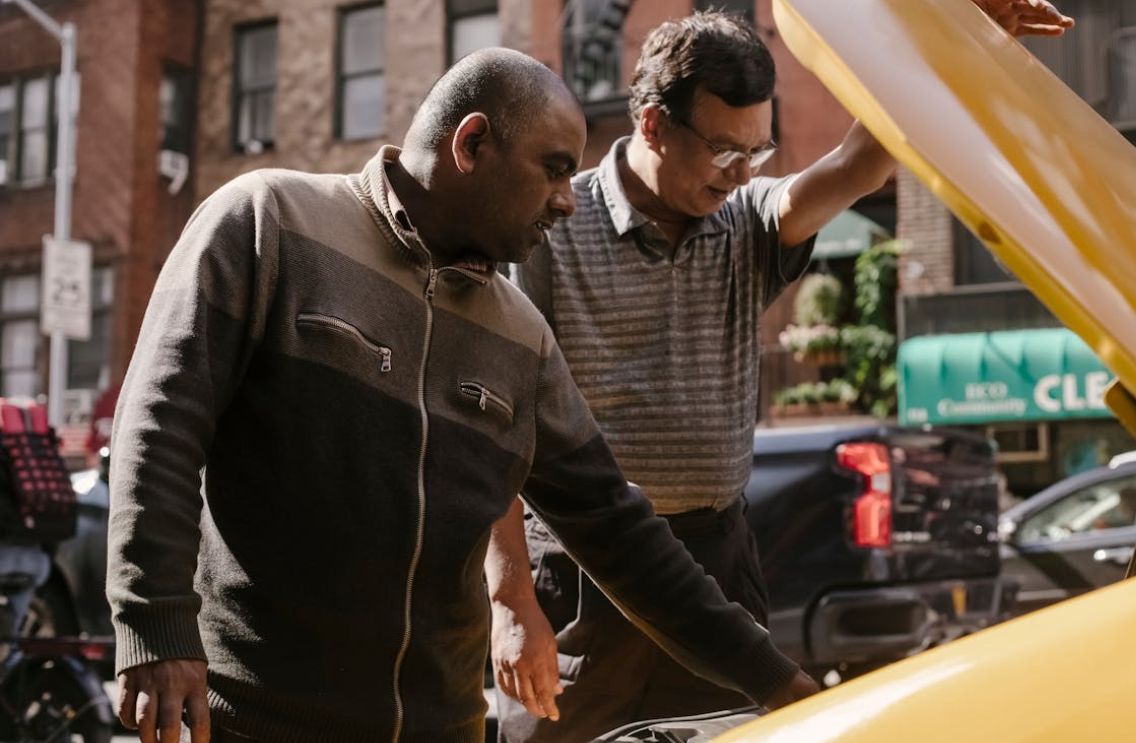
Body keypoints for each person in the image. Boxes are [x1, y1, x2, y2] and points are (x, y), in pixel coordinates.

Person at [105, 48, 817, 743]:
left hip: (439, 726)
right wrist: (156, 627)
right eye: (554, 170)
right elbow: (160, 427)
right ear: (472, 143)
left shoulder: (520, 336)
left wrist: (780, 684)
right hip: (254, 718)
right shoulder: (269, 222)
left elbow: (618, 528)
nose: (568, 201)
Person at [487, 3, 1074, 741]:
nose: (740, 174)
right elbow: (499, 418)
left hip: (716, 562)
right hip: (581, 570)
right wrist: (509, 598)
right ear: (651, 125)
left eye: (757, 152)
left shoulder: (748, 221)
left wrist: (957, 38)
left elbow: (858, 163)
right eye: (724, 151)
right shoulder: (551, 226)